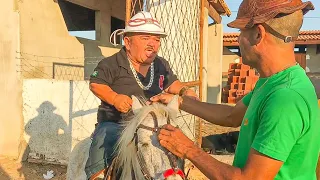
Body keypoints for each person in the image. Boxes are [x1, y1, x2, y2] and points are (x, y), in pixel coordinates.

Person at [151, 0, 320, 179]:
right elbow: (231, 116)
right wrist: (178, 102)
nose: (238, 39)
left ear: (258, 34)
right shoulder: (271, 82)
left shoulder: (285, 98)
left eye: (240, 31)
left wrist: (188, 149)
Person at [85, 11, 198, 178]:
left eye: (157, 39)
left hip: (152, 124)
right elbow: (96, 84)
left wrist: (184, 91)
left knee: (177, 141)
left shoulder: (161, 64)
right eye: (145, 38)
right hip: (118, 123)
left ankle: (177, 173)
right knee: (104, 139)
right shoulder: (111, 64)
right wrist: (115, 98)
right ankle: (97, 175)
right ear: (128, 42)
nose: (153, 44)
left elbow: (172, 83)